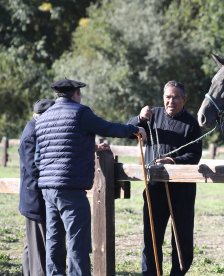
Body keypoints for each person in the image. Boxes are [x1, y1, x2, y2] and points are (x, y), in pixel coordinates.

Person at [35, 78, 146, 276]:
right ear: (76, 93)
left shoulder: (43, 117)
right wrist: (134, 130)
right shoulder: (80, 112)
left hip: (48, 188)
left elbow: (40, 156)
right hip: (71, 187)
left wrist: (89, 148)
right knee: (77, 241)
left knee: (54, 239)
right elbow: (107, 128)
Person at [128, 80, 202, 275]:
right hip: (154, 187)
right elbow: (128, 130)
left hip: (183, 191)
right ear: (163, 98)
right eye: (168, 97)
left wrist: (172, 160)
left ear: (184, 100)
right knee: (151, 236)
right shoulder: (152, 116)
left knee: (182, 238)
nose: (171, 101)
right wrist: (139, 118)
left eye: (176, 97)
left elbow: (195, 155)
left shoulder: (192, 124)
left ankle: (177, 273)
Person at [19, 99, 55, 276]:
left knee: (31, 246)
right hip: (35, 199)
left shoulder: (33, 129)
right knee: (39, 248)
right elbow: (34, 170)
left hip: (33, 199)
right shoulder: (32, 135)